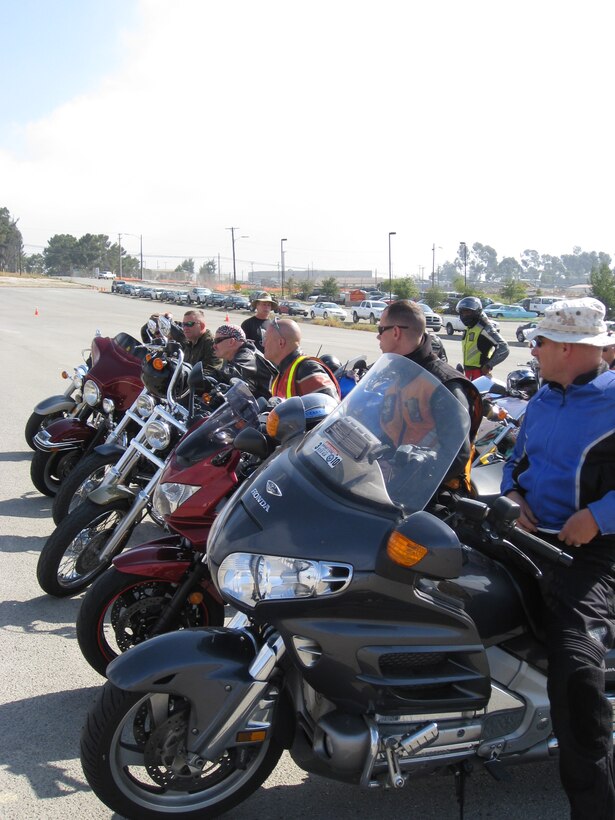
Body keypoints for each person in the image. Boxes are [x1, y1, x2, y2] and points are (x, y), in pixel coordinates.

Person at [501, 297, 615, 818]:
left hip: (591, 553)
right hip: (526, 536)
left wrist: (599, 516)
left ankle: (593, 804)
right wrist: (512, 496)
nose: (534, 349)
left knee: (575, 667)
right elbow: (512, 460)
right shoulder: (544, 398)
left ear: (568, 349)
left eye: (539, 341)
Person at [377, 300, 482, 489]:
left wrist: (410, 474)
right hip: (390, 484)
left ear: (395, 332)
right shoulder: (398, 375)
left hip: (431, 494)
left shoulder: (443, 385)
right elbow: (389, 432)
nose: (378, 337)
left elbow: (457, 456)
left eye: (380, 329)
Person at [263, 316, 340, 400]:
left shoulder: (308, 369)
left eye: (266, 339)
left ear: (281, 343)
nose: (263, 344)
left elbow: (330, 406)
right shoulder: (283, 371)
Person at [212, 323, 275, 399]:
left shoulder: (248, 356)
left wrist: (206, 378)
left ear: (231, 341)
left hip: (267, 407)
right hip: (250, 405)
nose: (214, 346)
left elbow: (233, 373)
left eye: (217, 341)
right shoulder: (231, 356)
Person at [456, 296, 509, 380]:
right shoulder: (469, 328)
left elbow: (504, 347)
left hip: (479, 374)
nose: (464, 315)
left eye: (467, 312)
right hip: (468, 373)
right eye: (462, 312)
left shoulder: (484, 328)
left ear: (476, 312)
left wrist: (488, 365)